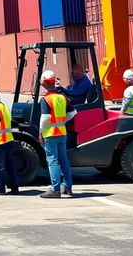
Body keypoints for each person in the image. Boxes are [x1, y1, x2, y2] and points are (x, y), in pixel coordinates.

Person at [38, 70, 76, 199]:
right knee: (63, 160)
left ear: (43, 82)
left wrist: (40, 132)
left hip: (50, 134)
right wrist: (62, 121)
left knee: (53, 161)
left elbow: (45, 117)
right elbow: (72, 112)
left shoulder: (46, 99)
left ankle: (55, 189)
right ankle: (68, 186)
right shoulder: (62, 97)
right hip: (62, 133)